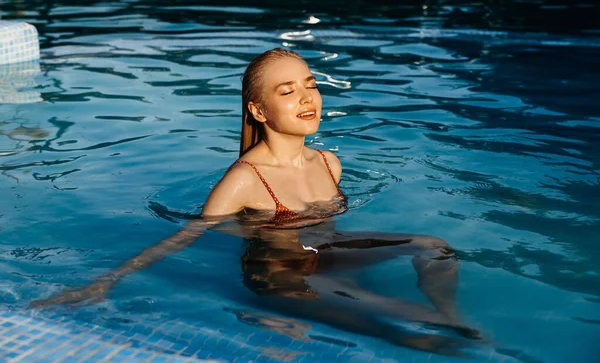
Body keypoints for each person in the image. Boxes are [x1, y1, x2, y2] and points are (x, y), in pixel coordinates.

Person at [32, 48, 478, 355]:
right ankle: (453, 344)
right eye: (287, 92)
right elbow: (183, 238)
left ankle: (449, 313)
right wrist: (106, 281)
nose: (307, 98)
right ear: (259, 112)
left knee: (433, 245)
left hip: (326, 255)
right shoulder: (245, 180)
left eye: (310, 85)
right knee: (402, 318)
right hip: (281, 276)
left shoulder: (328, 163)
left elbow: (328, 235)